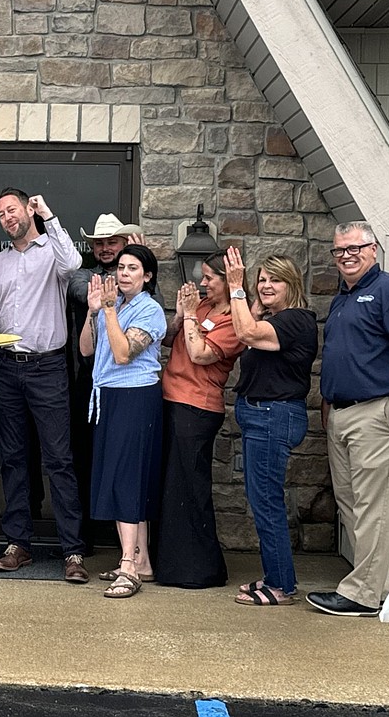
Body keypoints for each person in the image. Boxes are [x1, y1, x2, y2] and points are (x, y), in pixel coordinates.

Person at [310, 221, 389, 617]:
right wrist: (328, 407)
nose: (347, 256)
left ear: (374, 249)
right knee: (351, 506)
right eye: (339, 251)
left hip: (375, 416)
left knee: (372, 508)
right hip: (342, 415)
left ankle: (363, 595)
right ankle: (365, 585)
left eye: (355, 248)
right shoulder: (343, 298)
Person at [0, 188, 89, 584]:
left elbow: (74, 262)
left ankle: (73, 551)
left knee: (59, 460)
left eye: (12, 210)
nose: (7, 218)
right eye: (1, 214)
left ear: (28, 210)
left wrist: (49, 215)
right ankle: (18, 544)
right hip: (6, 368)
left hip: (47, 368)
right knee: (12, 458)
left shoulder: (52, 252)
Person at [225, 248, 318, 607]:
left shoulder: (296, 320)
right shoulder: (275, 320)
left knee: (267, 502)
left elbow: (246, 334)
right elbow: (240, 336)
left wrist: (237, 287)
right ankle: (275, 575)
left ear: (291, 284)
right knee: (261, 500)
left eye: (273, 280)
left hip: (273, 415)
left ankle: (282, 586)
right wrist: (254, 304)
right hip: (260, 414)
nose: (265, 285)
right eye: (261, 279)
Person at [153, 252, 245, 589]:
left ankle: (198, 570)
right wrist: (181, 315)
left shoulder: (235, 319)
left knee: (190, 488)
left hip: (197, 407)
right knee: (172, 487)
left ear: (228, 279)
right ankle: (172, 566)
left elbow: (199, 354)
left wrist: (191, 315)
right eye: (202, 277)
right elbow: (167, 339)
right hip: (172, 400)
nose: (203, 283)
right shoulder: (202, 308)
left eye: (210, 278)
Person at [79, 245, 166, 599]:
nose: (124, 273)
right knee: (120, 477)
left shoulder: (151, 310)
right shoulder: (111, 308)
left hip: (135, 398)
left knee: (128, 479)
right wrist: (92, 312)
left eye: (133, 268)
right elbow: (86, 349)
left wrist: (110, 311)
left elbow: (122, 352)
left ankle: (128, 567)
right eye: (120, 267)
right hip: (108, 397)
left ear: (147, 276)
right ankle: (140, 560)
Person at [67, 214, 150, 551]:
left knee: (125, 466)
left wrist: (140, 265)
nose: (104, 248)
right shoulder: (86, 275)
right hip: (90, 380)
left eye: (111, 242)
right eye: (99, 243)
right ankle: (87, 533)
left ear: (124, 244)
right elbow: (80, 290)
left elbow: (146, 303)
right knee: (87, 457)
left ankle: (129, 549)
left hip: (129, 385)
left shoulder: (140, 291)